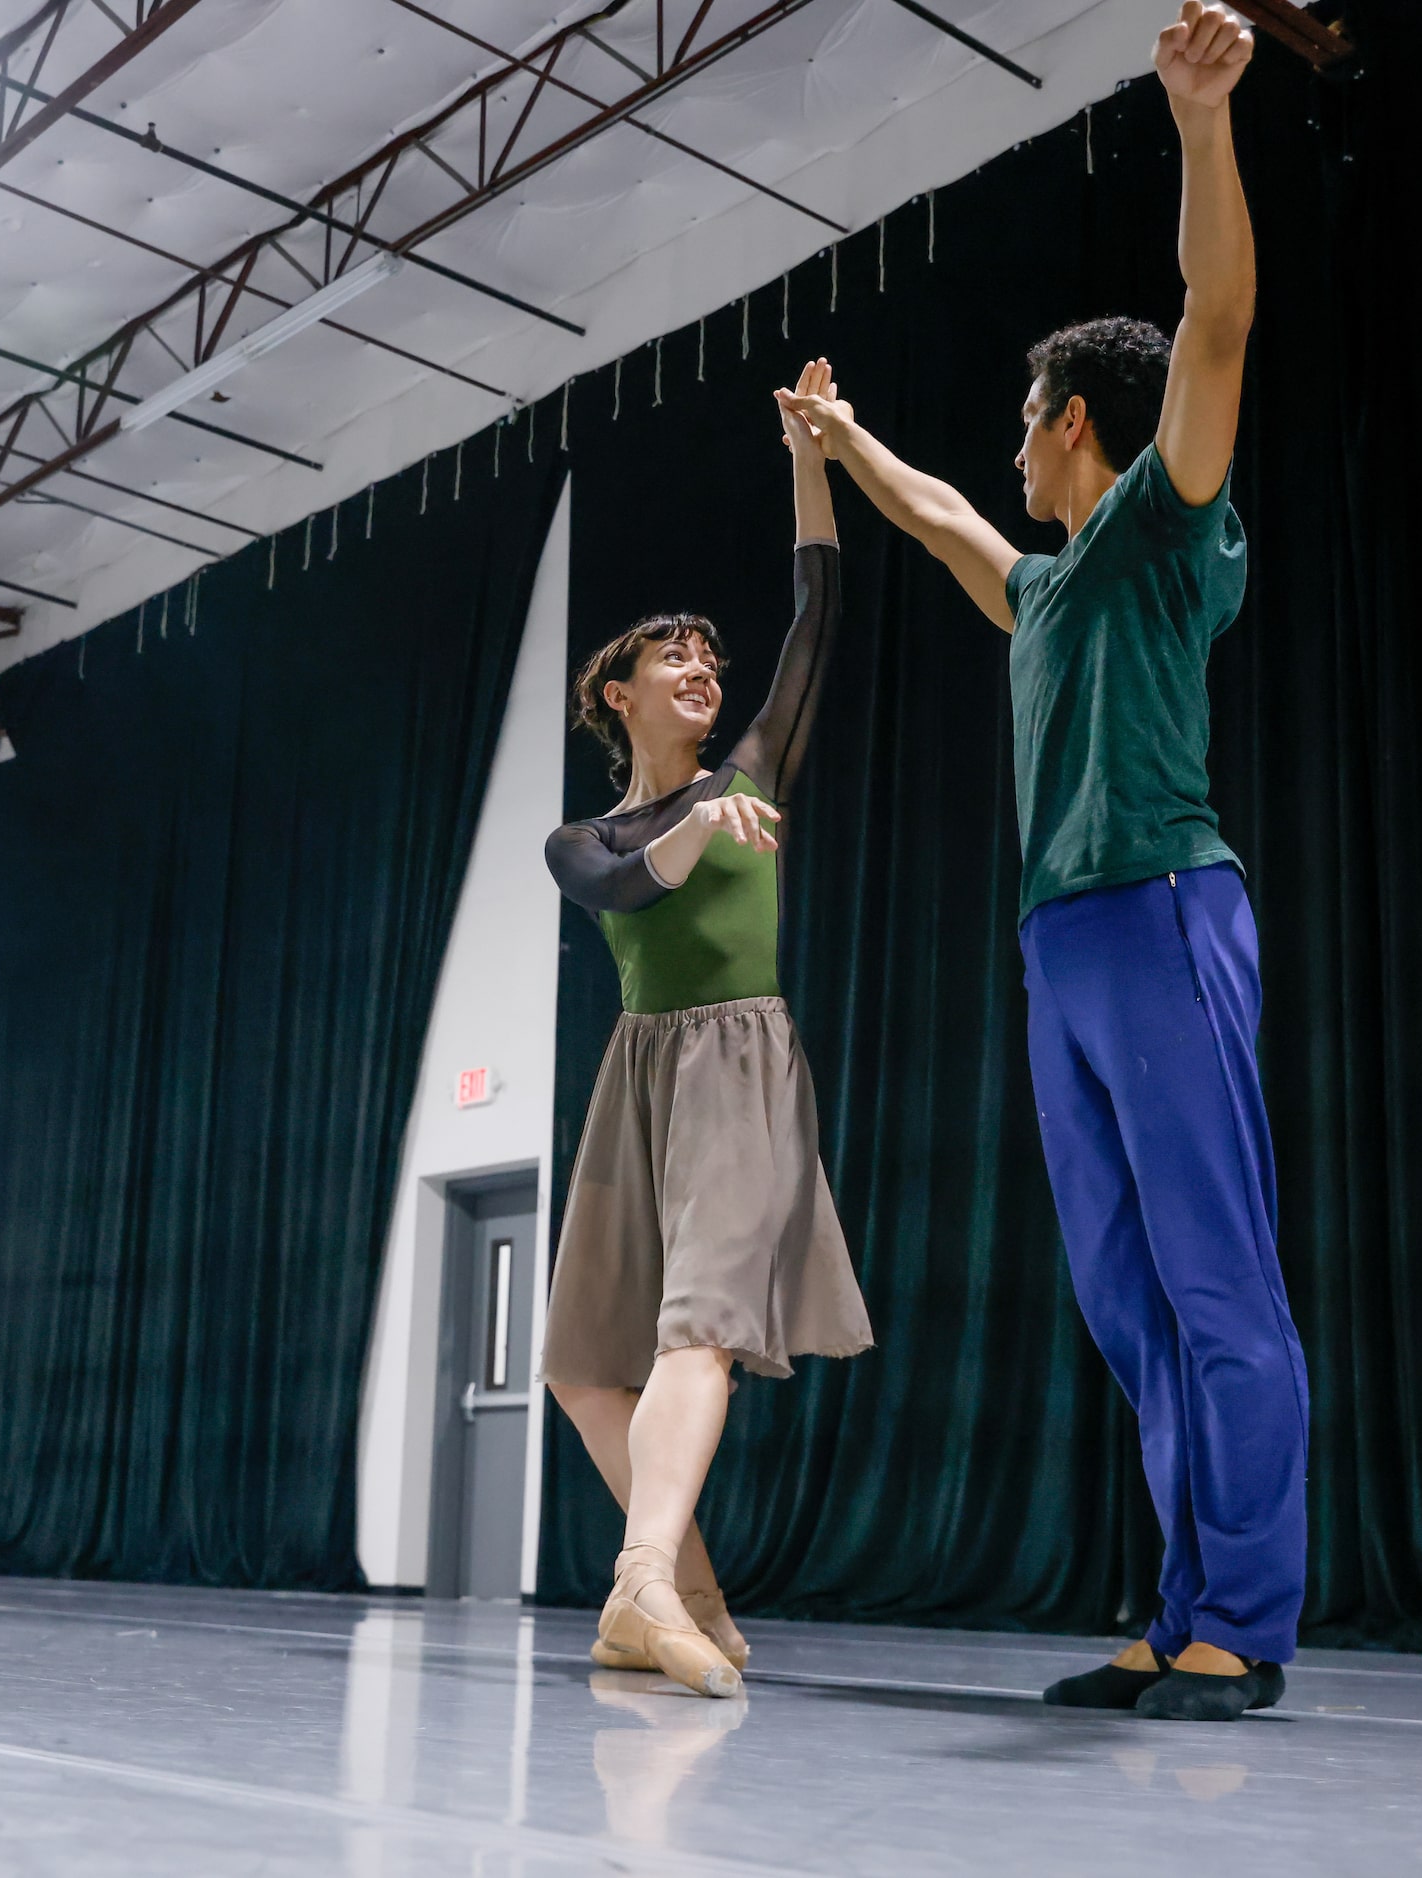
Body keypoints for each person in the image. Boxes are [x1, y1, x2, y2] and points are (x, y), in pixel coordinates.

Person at [778, 3, 1305, 1723]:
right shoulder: (1049, 588)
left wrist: (1202, 123)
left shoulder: (1160, 522)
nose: (1011, 443)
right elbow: (946, 520)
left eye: (1025, 418)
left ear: (1078, 418)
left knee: (1216, 1276)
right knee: (1128, 1298)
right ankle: (1176, 1605)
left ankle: (1245, 1618)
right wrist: (842, 446)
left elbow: (1213, 321)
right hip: (1060, 943)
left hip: (1161, 906)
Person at [541, 359, 874, 1700]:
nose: (701, 664)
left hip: (739, 1063)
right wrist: (691, 824)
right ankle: (691, 1597)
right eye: (670, 652)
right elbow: (628, 880)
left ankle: (634, 1584)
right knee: (576, 1364)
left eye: (707, 656)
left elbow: (815, 608)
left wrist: (811, 457)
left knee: (701, 1327)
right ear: (614, 691)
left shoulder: (753, 772)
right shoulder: (584, 835)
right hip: (637, 1079)